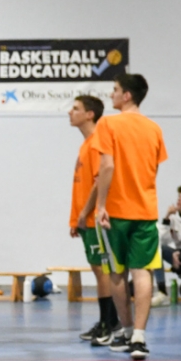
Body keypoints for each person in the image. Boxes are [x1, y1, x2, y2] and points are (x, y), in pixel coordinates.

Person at [94, 74, 167, 361]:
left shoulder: (108, 124)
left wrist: (101, 205)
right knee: (143, 272)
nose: (111, 95)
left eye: (115, 90)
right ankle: (140, 336)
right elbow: (154, 171)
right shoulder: (154, 128)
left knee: (117, 273)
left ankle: (125, 332)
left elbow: (107, 166)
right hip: (145, 210)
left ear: (126, 96)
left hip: (116, 212)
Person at [67, 94, 119, 345]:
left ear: (90, 114)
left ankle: (110, 324)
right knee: (99, 272)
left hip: (93, 219)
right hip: (85, 220)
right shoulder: (86, 144)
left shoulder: (97, 142)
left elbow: (99, 183)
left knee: (103, 272)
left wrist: (84, 213)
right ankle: (105, 322)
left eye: (75, 108)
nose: (70, 112)